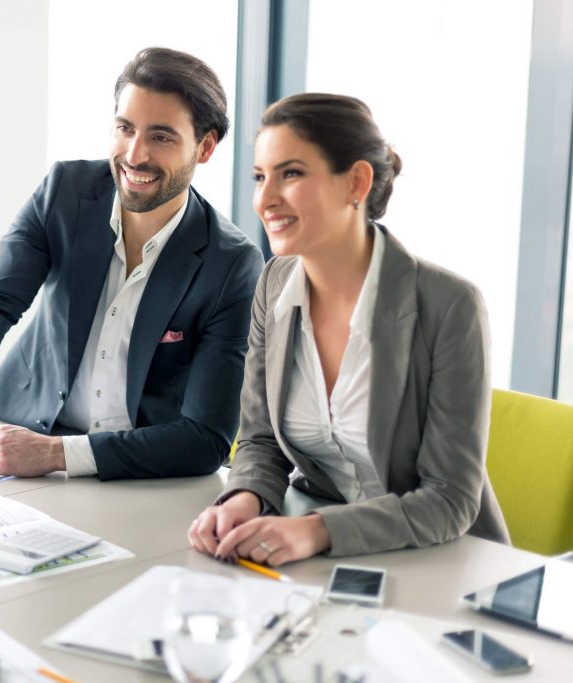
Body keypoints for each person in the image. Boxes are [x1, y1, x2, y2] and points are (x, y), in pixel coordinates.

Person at [188, 93, 510, 565]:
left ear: (356, 182)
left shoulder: (449, 305)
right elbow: (259, 441)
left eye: (291, 173)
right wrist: (246, 498)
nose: (265, 199)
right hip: (322, 561)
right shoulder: (273, 285)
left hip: (439, 559)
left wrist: (316, 532)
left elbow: (450, 498)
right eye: (260, 177)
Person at [0, 47, 264, 480]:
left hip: (134, 474)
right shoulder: (64, 193)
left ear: (204, 147)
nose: (134, 154)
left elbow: (206, 438)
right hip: (14, 439)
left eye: (161, 137)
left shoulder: (231, 263)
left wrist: (57, 454)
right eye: (124, 128)